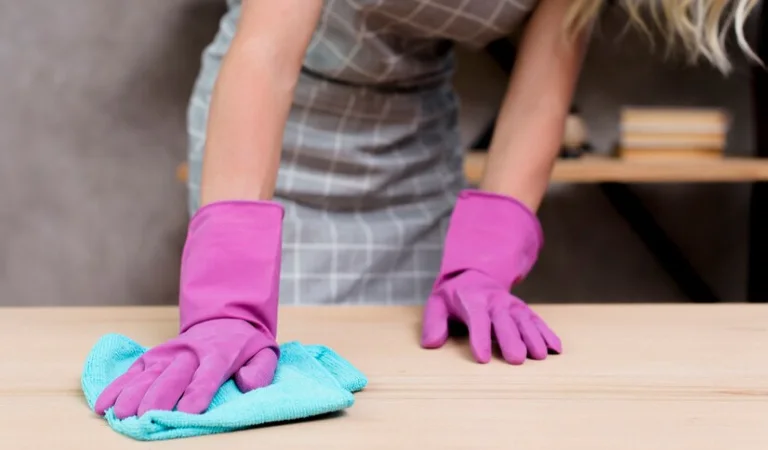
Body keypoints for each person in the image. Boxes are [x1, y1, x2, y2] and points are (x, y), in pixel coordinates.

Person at [95, 0, 759, 419]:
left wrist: (486, 262)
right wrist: (227, 297)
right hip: (272, 132)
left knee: (406, 399)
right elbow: (266, 57)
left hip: (414, 146)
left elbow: (538, 98)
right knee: (259, 395)